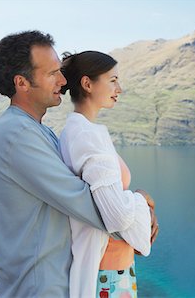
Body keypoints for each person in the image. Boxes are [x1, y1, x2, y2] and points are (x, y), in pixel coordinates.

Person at [0, 31, 159, 297]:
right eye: (52, 73)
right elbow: (91, 205)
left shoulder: (37, 130)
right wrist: (140, 203)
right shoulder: (16, 134)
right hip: (40, 288)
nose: (63, 80)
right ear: (22, 82)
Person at [59, 51, 155, 298]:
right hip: (108, 271)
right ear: (87, 84)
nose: (119, 88)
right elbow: (118, 217)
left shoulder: (86, 131)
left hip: (115, 266)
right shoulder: (85, 136)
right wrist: (141, 200)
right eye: (112, 80)